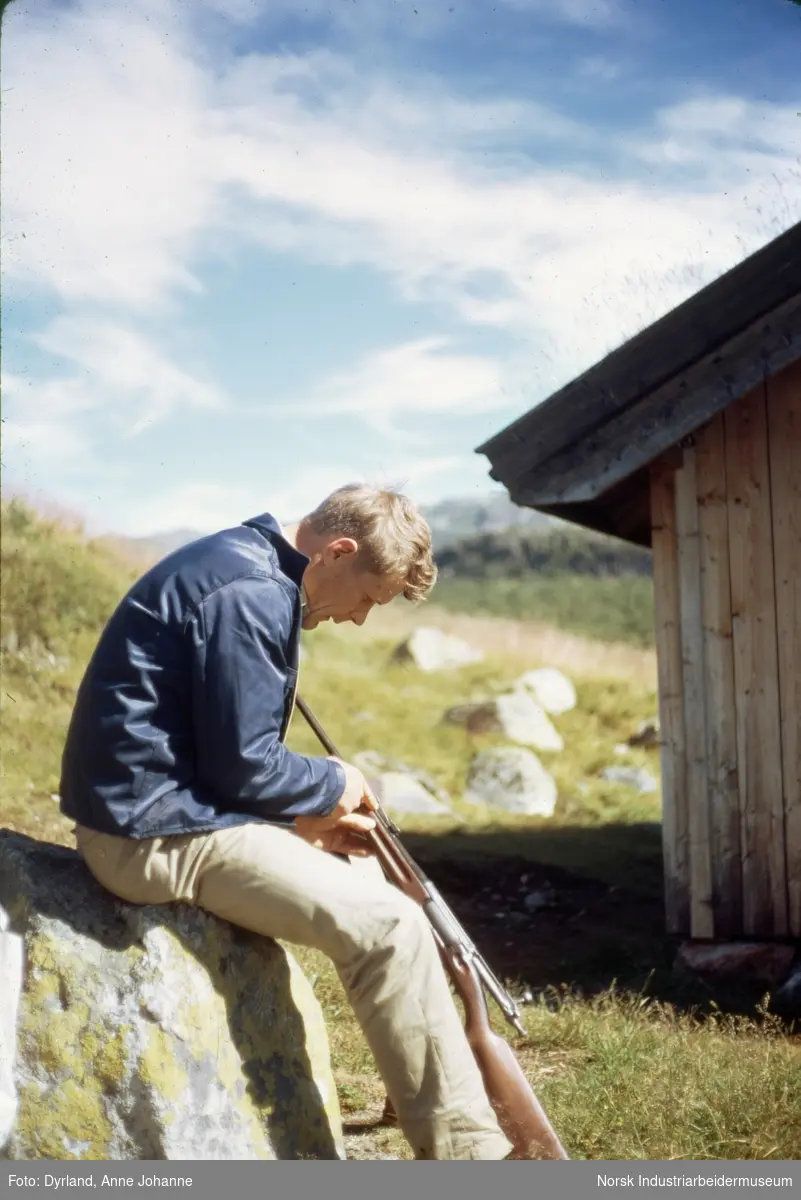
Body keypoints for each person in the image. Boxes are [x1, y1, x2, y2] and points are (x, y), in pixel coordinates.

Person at [60, 484, 514, 1161]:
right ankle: (469, 1157)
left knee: (363, 882)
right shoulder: (248, 592)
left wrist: (298, 826)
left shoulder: (245, 567)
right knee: (391, 928)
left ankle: (425, 1097)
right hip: (150, 835)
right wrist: (337, 781)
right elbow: (244, 767)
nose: (359, 620)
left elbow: (217, 755)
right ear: (337, 550)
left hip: (163, 810)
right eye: (368, 598)